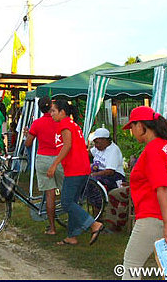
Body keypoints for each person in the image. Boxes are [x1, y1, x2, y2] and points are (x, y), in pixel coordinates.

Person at [121, 106, 167, 280]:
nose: (132, 132)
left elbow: (162, 188)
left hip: (156, 217)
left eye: (132, 127)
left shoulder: (152, 150)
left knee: (131, 265)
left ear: (141, 126)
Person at [47, 99, 104, 246]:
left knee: (66, 203)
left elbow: (67, 146)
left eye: (53, 111)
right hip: (83, 168)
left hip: (75, 170)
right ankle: (72, 236)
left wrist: (54, 164)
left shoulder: (65, 125)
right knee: (73, 202)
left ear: (62, 112)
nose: (51, 113)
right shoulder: (74, 125)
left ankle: (93, 224)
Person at [25, 97, 64, 235]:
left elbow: (28, 144)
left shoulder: (37, 123)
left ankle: (52, 227)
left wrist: (26, 135)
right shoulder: (60, 121)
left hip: (43, 159)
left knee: (50, 194)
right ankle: (73, 223)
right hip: (60, 159)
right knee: (66, 191)